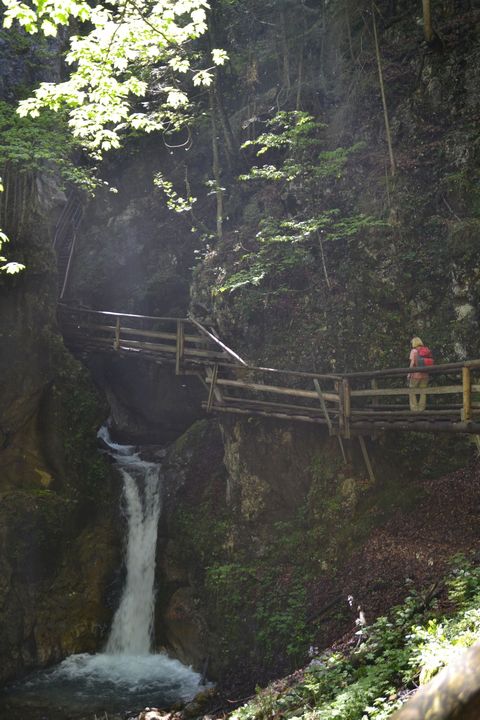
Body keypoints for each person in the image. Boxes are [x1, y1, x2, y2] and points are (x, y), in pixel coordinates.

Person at [408, 336, 429, 412]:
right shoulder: (425, 350)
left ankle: (414, 409)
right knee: (423, 392)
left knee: (412, 391)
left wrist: (409, 373)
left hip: (416, 375)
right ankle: (421, 408)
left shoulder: (414, 351)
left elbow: (412, 363)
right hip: (425, 375)